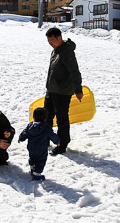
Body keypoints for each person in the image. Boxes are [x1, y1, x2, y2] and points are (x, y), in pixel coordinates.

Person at [44, 27, 83, 155]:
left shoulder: (67, 52)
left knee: (62, 119)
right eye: (49, 41)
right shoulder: (55, 50)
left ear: (59, 38)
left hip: (62, 91)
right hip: (51, 89)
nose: (51, 43)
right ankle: (45, 139)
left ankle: (62, 144)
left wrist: (78, 89)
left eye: (52, 40)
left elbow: (74, 71)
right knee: (46, 116)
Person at [18, 107, 59, 180]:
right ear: (45, 118)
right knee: (41, 161)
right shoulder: (46, 127)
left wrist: (21, 138)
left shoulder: (30, 125)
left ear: (33, 117)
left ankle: (32, 166)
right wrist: (57, 142)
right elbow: (52, 135)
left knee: (33, 157)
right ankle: (36, 174)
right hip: (41, 149)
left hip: (31, 148)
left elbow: (25, 132)